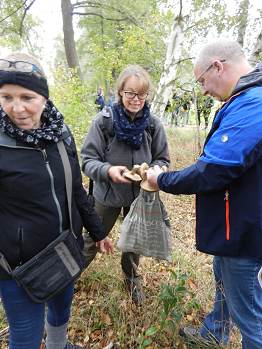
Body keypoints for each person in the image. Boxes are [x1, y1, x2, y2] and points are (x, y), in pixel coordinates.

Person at [146, 39, 262, 348]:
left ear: (218, 67)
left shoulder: (254, 102)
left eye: (202, 81)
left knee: (250, 314)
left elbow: (213, 169)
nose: (203, 90)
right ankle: (216, 330)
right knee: (223, 278)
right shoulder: (242, 100)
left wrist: (162, 180)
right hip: (232, 225)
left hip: (245, 229)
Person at [0, 52, 113, 349]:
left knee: (61, 311)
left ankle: (58, 346)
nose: (17, 107)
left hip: (65, 249)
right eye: (6, 97)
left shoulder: (60, 134)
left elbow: (76, 188)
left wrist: (97, 232)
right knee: (26, 335)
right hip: (18, 267)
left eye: (27, 96)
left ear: (45, 97)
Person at [81, 64, 170, 304]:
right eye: (130, 93)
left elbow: (162, 158)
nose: (136, 99)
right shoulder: (103, 122)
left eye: (141, 94)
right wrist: (108, 170)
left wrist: (154, 169)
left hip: (140, 196)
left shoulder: (152, 124)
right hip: (107, 194)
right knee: (91, 238)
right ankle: (69, 276)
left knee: (135, 241)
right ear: (120, 92)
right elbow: (87, 160)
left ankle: (131, 280)